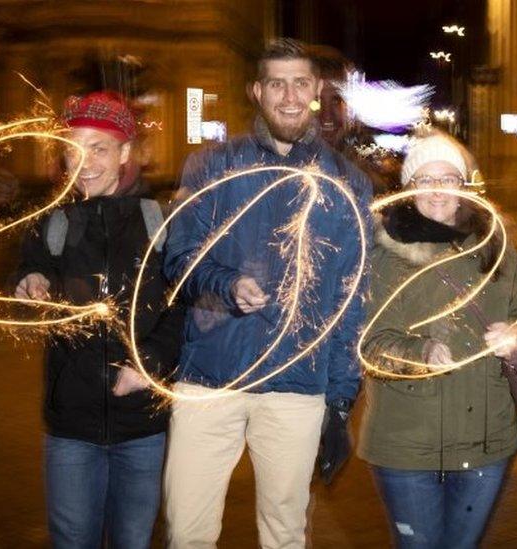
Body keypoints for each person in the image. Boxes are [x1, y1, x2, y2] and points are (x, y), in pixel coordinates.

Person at [161, 38, 372, 548]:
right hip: (211, 379)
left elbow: (353, 296)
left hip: (296, 385)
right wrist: (226, 285)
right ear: (258, 91)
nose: (290, 95)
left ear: (317, 90)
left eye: (301, 82)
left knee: (285, 534)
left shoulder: (347, 181)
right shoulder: (212, 165)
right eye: (277, 83)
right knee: (187, 532)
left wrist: (341, 396)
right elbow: (178, 260)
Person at [14, 91, 185, 548]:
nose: (83, 162)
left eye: (99, 147)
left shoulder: (160, 222)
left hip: (142, 427)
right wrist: (29, 283)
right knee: (72, 540)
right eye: (73, 149)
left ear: (125, 152)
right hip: (71, 425)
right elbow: (28, 287)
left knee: (133, 541)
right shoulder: (52, 223)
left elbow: (178, 311)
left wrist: (146, 365)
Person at [357, 131, 517, 548]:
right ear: (409, 187)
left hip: (485, 440)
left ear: (464, 187)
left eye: (449, 179)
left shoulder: (495, 243)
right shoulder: (381, 253)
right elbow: (367, 343)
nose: (438, 190)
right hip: (407, 443)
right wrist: (419, 352)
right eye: (426, 179)